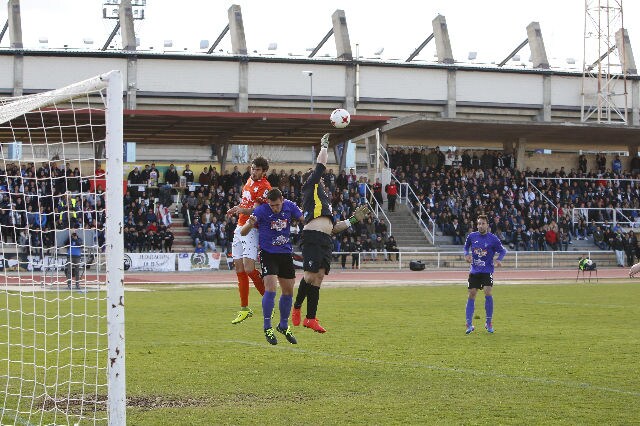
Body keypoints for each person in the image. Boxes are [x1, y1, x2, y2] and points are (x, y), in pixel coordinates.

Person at [291, 133, 371, 333]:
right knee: (309, 276)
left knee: (318, 277)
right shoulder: (311, 185)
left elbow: (333, 228)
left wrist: (353, 219)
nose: (323, 181)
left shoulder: (324, 202)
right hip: (312, 237)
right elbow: (320, 166)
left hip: (325, 239)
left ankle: (311, 318)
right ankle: (297, 307)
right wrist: (324, 146)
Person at [241, 188, 302, 345]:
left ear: (282, 199)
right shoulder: (261, 210)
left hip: (285, 253)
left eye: (277, 205)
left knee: (288, 291)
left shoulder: (290, 206)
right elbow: (243, 231)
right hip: (268, 254)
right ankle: (267, 326)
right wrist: (250, 223)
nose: (275, 208)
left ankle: (283, 325)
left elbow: (303, 218)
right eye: (272, 205)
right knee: (271, 288)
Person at [226, 157, 271, 324]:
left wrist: (241, 209)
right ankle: (245, 308)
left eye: (258, 169)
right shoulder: (249, 180)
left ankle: (269, 301)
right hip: (239, 226)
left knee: (249, 268)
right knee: (239, 269)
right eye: (253, 168)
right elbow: (246, 202)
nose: (254, 171)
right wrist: (237, 208)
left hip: (252, 228)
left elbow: (260, 209)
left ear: (264, 171)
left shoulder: (265, 187)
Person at [463, 214, 507, 334]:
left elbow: (503, 251)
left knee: (488, 292)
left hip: (487, 271)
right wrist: (466, 254)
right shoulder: (472, 236)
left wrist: (499, 260)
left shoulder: (493, 239)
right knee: (471, 294)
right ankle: (469, 324)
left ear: (487, 225)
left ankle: (488, 322)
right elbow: (466, 247)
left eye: (482, 223)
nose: (480, 226)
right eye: (478, 223)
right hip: (474, 271)